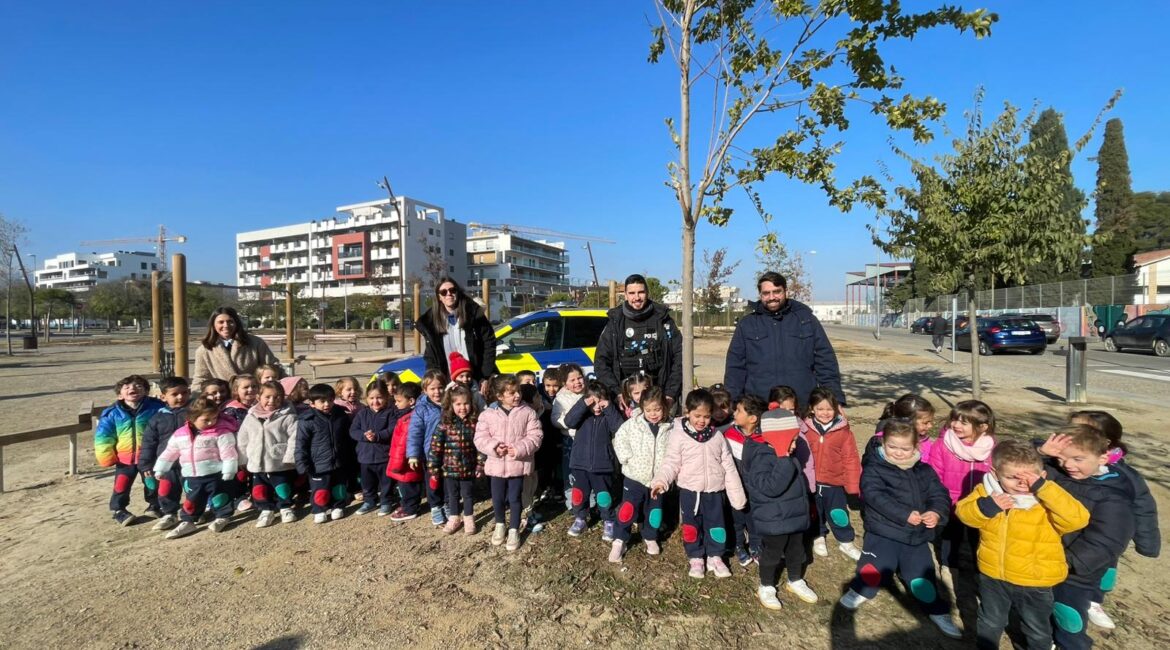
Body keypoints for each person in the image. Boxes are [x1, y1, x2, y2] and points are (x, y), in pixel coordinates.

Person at [956, 439, 1090, 650]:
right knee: (990, 620)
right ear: (995, 473)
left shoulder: (1047, 499)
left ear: (1042, 476)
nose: (1021, 484)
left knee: (1036, 627)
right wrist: (987, 506)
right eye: (1011, 477)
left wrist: (1043, 489)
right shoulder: (988, 492)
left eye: (1029, 479)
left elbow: (1078, 519)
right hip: (994, 574)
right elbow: (964, 514)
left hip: (1034, 580)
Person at [839, 419, 961, 639]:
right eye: (892, 447)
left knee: (921, 577)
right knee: (873, 568)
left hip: (916, 537)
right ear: (883, 444)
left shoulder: (924, 470)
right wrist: (903, 514)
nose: (898, 453)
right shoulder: (876, 469)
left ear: (916, 447)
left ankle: (936, 610)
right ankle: (861, 590)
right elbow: (875, 496)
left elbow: (939, 494)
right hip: (883, 532)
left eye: (905, 448)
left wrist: (936, 512)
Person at [1038, 426, 1136, 650]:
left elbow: (1106, 541)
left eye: (1078, 459)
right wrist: (1042, 452)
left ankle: (1072, 644)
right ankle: (1047, 639)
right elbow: (1022, 463)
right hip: (1043, 559)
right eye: (1061, 458)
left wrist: (1068, 562)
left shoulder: (1112, 494)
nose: (1069, 465)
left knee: (1068, 615)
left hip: (1075, 573)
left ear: (1103, 457)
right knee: (1042, 608)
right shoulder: (1055, 472)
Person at [1068, 410, 1161, 630]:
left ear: (1105, 442)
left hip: (1105, 536)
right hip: (1073, 534)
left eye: (1080, 431)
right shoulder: (1067, 463)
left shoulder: (1124, 475)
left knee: (1101, 570)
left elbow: (1143, 507)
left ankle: (1094, 602)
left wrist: (1147, 543)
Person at [651, 389, 747, 579]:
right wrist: (661, 480)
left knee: (716, 525)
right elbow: (671, 462)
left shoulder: (717, 437)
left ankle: (715, 556)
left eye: (706, 416)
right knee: (691, 526)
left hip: (714, 491)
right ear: (687, 412)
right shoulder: (679, 436)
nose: (702, 421)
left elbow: (728, 466)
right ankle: (695, 557)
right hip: (690, 491)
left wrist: (737, 495)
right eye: (697, 416)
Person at [724, 272, 844, 407]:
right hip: (759, 406)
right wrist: (732, 402)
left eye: (776, 292)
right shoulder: (747, 324)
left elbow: (826, 362)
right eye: (766, 293)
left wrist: (835, 399)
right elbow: (735, 367)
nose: (771, 297)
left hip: (801, 404)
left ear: (786, 291)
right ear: (760, 295)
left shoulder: (806, 320)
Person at [741, 405, 816, 610]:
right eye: (791, 440)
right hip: (774, 519)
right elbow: (771, 487)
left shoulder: (785, 454)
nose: (794, 445)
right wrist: (784, 458)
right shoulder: (761, 457)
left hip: (793, 516)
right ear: (777, 439)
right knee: (772, 553)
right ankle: (766, 585)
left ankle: (795, 579)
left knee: (796, 550)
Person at [152, 397, 239, 539]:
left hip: (216, 473)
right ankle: (189, 520)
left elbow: (228, 452)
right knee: (192, 499)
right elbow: (170, 451)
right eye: (206, 420)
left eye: (214, 418)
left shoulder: (221, 432)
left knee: (220, 496)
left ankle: (223, 516)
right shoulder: (180, 434)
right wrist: (161, 468)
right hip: (191, 474)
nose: (211, 422)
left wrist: (229, 469)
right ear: (192, 418)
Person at [927, 399, 996, 574]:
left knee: (977, 537)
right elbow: (934, 476)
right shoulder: (943, 445)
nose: (956, 425)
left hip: (980, 504)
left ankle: (977, 568)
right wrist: (941, 501)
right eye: (954, 419)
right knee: (950, 537)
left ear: (983, 427)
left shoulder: (991, 448)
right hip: (950, 502)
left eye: (963, 422)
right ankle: (948, 568)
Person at [475, 375, 543, 551]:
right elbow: (480, 437)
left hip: (517, 464)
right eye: (511, 393)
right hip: (496, 465)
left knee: (515, 498)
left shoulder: (528, 412)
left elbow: (536, 436)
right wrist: (494, 447)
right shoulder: (488, 414)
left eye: (518, 391)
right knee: (497, 498)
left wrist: (519, 448)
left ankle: (513, 529)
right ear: (499, 395)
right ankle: (500, 524)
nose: (517, 396)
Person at [594, 274, 683, 406]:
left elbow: (680, 357)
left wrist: (670, 393)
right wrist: (617, 393)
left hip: (660, 398)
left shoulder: (663, 319)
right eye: (632, 293)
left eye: (641, 292)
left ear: (647, 293)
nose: (636, 297)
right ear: (625, 295)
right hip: (626, 400)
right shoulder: (615, 322)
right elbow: (601, 362)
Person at [610, 387, 672, 561]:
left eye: (657, 409)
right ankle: (620, 539)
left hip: (658, 480)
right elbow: (620, 440)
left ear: (665, 408)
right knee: (628, 509)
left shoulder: (670, 427)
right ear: (642, 408)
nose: (653, 414)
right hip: (635, 477)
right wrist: (626, 459)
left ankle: (650, 536)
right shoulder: (632, 424)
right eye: (649, 410)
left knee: (655, 511)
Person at [95, 374, 165, 526]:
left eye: (138, 386)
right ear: (120, 394)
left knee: (152, 483)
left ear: (146, 391)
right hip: (125, 458)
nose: (133, 388)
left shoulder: (156, 408)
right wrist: (106, 455)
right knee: (121, 484)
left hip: (149, 456)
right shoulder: (112, 413)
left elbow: (164, 429)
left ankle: (155, 505)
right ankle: (119, 509)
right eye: (127, 387)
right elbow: (104, 436)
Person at [804, 388, 862, 561]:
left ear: (836, 409)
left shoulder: (843, 432)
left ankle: (846, 540)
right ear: (812, 408)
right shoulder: (806, 429)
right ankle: (818, 535)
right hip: (812, 482)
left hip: (834, 483)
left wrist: (852, 486)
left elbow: (851, 459)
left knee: (838, 512)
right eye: (820, 409)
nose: (825, 413)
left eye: (829, 409)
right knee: (815, 512)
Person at [563, 381, 624, 540]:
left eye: (600, 403)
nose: (597, 407)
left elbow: (619, 427)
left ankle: (608, 520)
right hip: (580, 463)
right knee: (579, 494)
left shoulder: (608, 415)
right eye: (593, 403)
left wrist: (609, 407)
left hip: (602, 464)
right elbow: (569, 421)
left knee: (604, 495)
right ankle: (580, 518)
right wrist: (583, 404)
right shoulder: (583, 414)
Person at [236, 380, 300, 528]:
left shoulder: (288, 416)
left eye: (277, 397)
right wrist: (243, 459)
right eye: (268, 397)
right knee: (259, 489)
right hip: (257, 462)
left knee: (283, 487)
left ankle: (285, 507)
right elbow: (243, 439)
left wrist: (290, 457)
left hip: (279, 461)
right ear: (259, 397)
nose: (272, 401)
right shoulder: (251, 416)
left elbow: (294, 439)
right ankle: (266, 509)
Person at [723, 395, 774, 566]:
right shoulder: (729, 434)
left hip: (756, 489)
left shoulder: (765, 438)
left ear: (752, 418)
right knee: (736, 519)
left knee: (755, 519)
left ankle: (755, 546)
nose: (734, 413)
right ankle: (738, 545)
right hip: (735, 487)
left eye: (738, 410)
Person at [417, 276, 496, 383]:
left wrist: (485, 376)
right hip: (447, 381)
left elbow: (489, 343)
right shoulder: (431, 323)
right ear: (439, 297)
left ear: (458, 292)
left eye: (452, 290)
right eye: (443, 292)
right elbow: (431, 356)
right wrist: (435, 380)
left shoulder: (474, 314)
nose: (448, 294)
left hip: (475, 379)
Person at [429, 384, 484, 536]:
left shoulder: (475, 424)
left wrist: (480, 465)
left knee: (468, 495)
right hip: (449, 468)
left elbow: (481, 446)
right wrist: (434, 469)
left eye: (466, 403)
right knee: (452, 495)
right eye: (458, 404)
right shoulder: (444, 424)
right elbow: (435, 447)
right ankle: (454, 517)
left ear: (471, 404)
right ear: (451, 405)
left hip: (468, 468)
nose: (462, 408)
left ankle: (469, 518)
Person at [139, 376, 191, 532]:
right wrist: (146, 464)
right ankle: (169, 514)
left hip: (190, 461)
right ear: (163, 397)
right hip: (167, 463)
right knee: (166, 490)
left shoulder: (194, 414)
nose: (180, 397)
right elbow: (149, 442)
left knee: (192, 489)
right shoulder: (157, 418)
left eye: (184, 393)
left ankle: (193, 512)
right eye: (175, 394)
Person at [294, 383, 351, 525]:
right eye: (322, 401)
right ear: (312, 404)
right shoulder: (306, 420)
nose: (327, 404)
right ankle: (319, 509)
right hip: (318, 464)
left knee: (339, 487)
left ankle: (338, 506)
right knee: (320, 491)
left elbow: (346, 438)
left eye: (330, 400)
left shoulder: (340, 415)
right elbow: (301, 444)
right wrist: (302, 464)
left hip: (339, 461)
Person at [192, 306, 281, 391]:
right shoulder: (204, 350)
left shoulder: (256, 343)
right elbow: (200, 378)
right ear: (213, 325)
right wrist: (196, 399)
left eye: (230, 321)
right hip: (222, 398)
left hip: (253, 395)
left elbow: (273, 367)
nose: (226, 325)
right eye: (221, 322)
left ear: (236, 323)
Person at [349, 380, 398, 516]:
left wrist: (378, 436)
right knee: (367, 482)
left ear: (386, 397)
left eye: (379, 397)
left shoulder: (391, 412)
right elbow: (353, 430)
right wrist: (364, 436)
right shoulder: (362, 413)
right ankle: (370, 501)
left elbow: (393, 429)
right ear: (366, 398)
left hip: (384, 455)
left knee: (386, 482)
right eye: (371, 398)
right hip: (365, 457)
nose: (375, 401)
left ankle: (386, 501)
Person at [407, 369, 449, 527]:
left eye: (440, 387)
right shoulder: (421, 409)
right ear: (425, 390)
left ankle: (448, 504)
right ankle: (435, 506)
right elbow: (415, 433)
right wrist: (413, 454)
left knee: (448, 482)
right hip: (430, 453)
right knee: (433, 482)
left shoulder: (450, 403)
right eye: (432, 388)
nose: (437, 391)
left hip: (450, 452)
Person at [386, 383, 423, 522]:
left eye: (399, 401)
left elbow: (403, 444)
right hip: (405, 460)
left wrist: (396, 462)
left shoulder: (408, 419)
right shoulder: (405, 416)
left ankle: (410, 509)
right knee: (406, 486)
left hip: (405, 462)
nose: (396, 404)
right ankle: (408, 505)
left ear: (411, 401)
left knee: (408, 486)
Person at [552, 363, 587, 504]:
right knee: (571, 471)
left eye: (579, 378)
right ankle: (573, 501)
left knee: (587, 470)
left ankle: (591, 500)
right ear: (565, 384)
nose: (577, 382)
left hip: (588, 440)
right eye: (572, 380)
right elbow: (556, 420)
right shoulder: (561, 399)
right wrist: (569, 423)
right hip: (570, 440)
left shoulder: (589, 394)